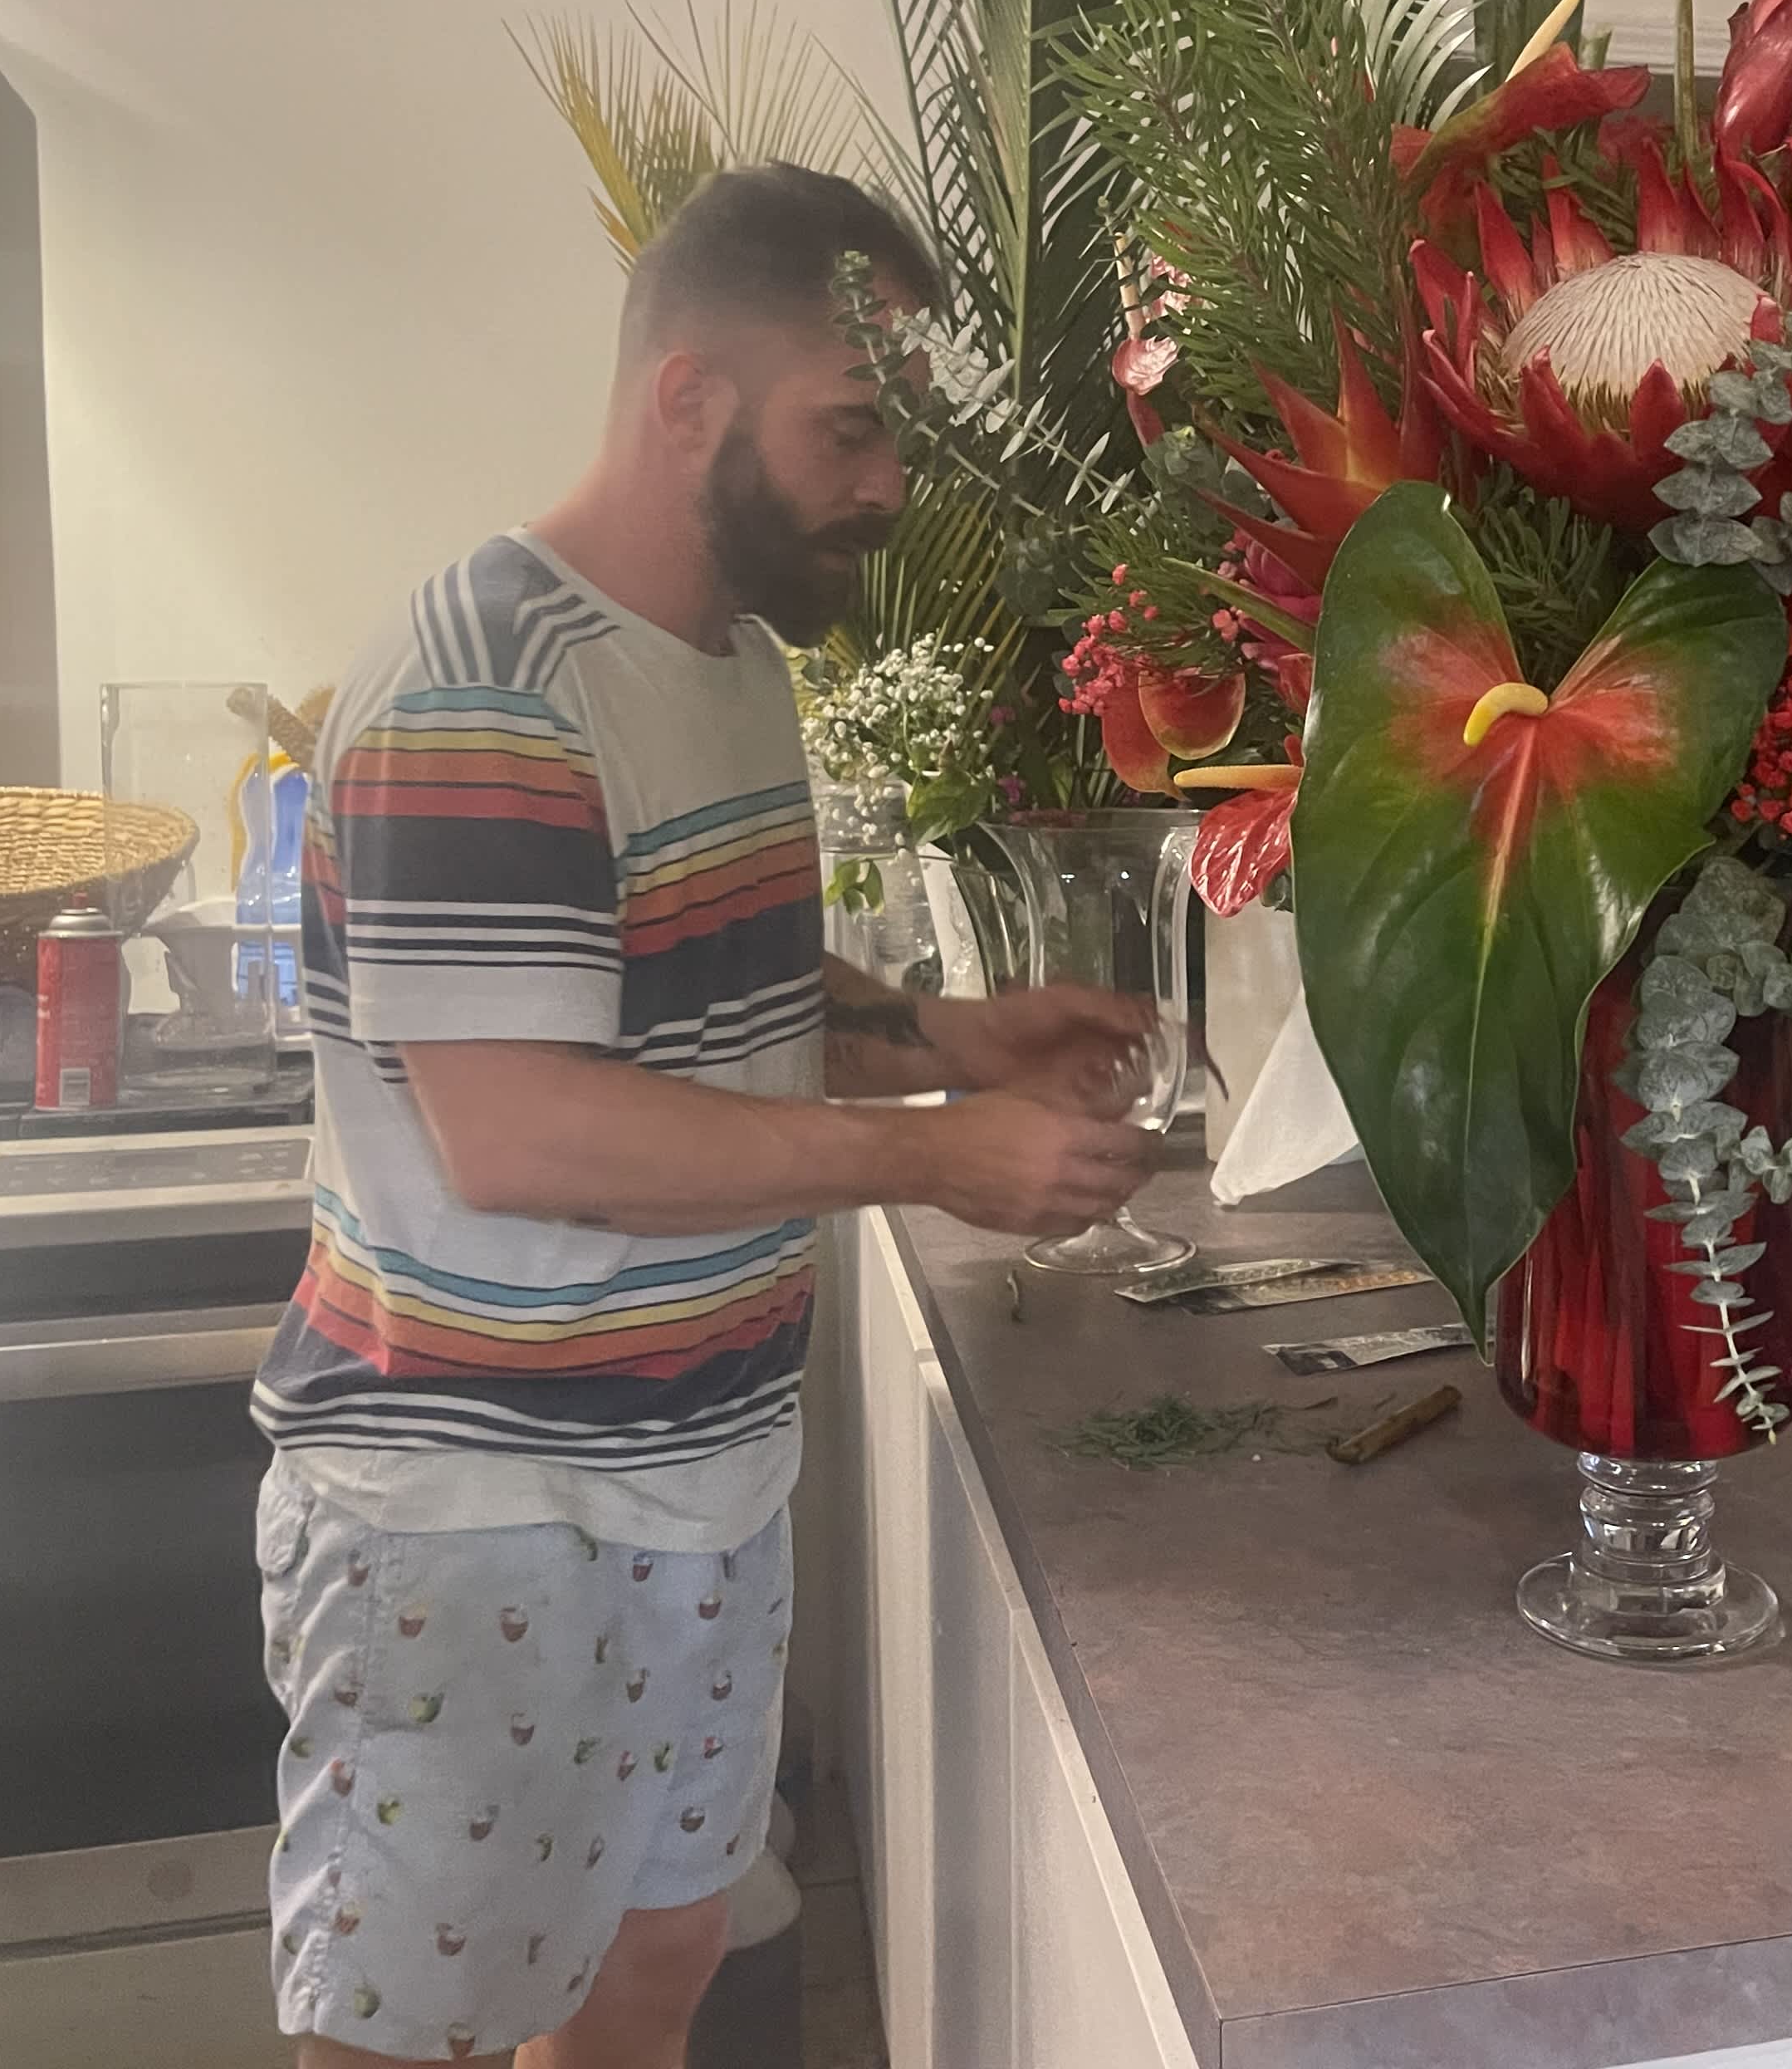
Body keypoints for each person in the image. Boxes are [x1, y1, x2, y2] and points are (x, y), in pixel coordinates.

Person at [247, 164, 1160, 2068]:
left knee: (648, 1976)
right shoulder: (484, 684)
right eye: (849, 430)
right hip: (480, 1512)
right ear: (689, 400)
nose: (888, 487)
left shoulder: (726, 664)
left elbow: (705, 996)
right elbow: (530, 1134)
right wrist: (936, 1154)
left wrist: (949, 1034)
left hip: (700, 1479)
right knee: (416, 2030)